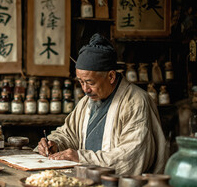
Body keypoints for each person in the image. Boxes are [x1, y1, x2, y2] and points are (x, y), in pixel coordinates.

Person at [36, 33, 168, 175]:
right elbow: (69, 134)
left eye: (90, 82)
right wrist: (55, 143)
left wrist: (81, 158)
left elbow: (131, 158)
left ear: (111, 76)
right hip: (88, 181)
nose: (85, 89)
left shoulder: (135, 102)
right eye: (81, 82)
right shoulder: (86, 102)